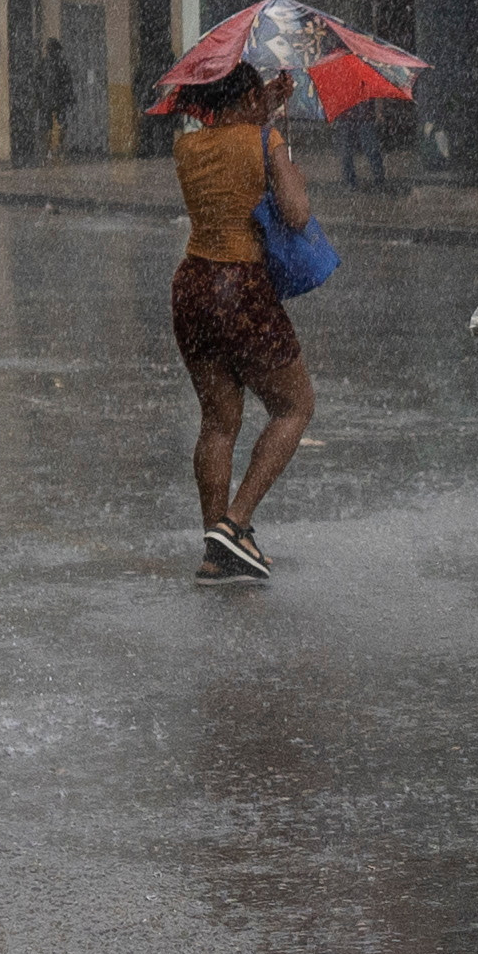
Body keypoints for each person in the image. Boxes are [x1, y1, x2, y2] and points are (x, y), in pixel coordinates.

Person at [167, 61, 318, 585]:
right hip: (241, 288)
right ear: (252, 98)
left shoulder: (188, 146)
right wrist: (284, 158)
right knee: (295, 405)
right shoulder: (264, 138)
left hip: (192, 287)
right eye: (260, 96)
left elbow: (233, 138)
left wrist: (262, 109)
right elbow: (296, 215)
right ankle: (236, 522)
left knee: (218, 422)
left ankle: (217, 551)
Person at [38, 37, 77, 159]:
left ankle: (47, 151)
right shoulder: (62, 63)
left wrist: (39, 97)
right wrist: (70, 97)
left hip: (47, 99)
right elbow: (68, 82)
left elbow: (37, 81)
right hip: (60, 99)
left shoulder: (43, 63)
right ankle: (60, 147)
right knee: (62, 124)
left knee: (47, 126)